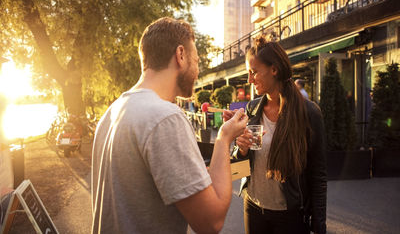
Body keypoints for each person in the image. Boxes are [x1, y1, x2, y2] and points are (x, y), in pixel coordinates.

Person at [91, 17, 248, 234]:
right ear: (181, 55)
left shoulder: (111, 113)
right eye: (197, 60)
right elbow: (211, 222)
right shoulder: (165, 117)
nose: (197, 70)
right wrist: (224, 139)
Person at [227, 37, 327, 234]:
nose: (249, 80)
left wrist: (318, 225)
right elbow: (237, 172)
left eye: (254, 72)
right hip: (253, 207)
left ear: (274, 70)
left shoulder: (309, 113)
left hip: (290, 215)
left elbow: (318, 176)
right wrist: (241, 150)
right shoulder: (252, 108)